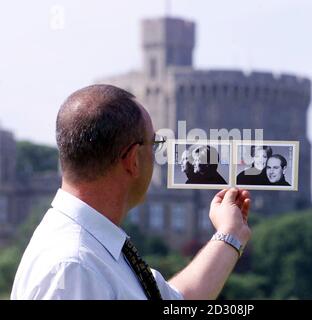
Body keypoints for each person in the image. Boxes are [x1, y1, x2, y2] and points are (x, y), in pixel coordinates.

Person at [11, 84, 251, 300]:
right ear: (133, 159)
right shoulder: (75, 267)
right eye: (154, 144)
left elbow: (177, 300)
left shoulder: (93, 249)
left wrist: (230, 234)